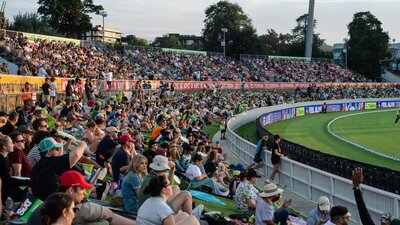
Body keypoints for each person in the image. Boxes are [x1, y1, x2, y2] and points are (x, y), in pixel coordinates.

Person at [28, 170, 135, 225]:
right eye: (82, 189)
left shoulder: (51, 202)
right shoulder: (75, 210)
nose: (85, 193)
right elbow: (109, 215)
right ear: (71, 190)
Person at [0, 134, 30, 204]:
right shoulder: (2, 160)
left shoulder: (5, 158)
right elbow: (7, 180)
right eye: (11, 143)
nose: (13, 145)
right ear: (4, 146)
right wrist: (27, 181)